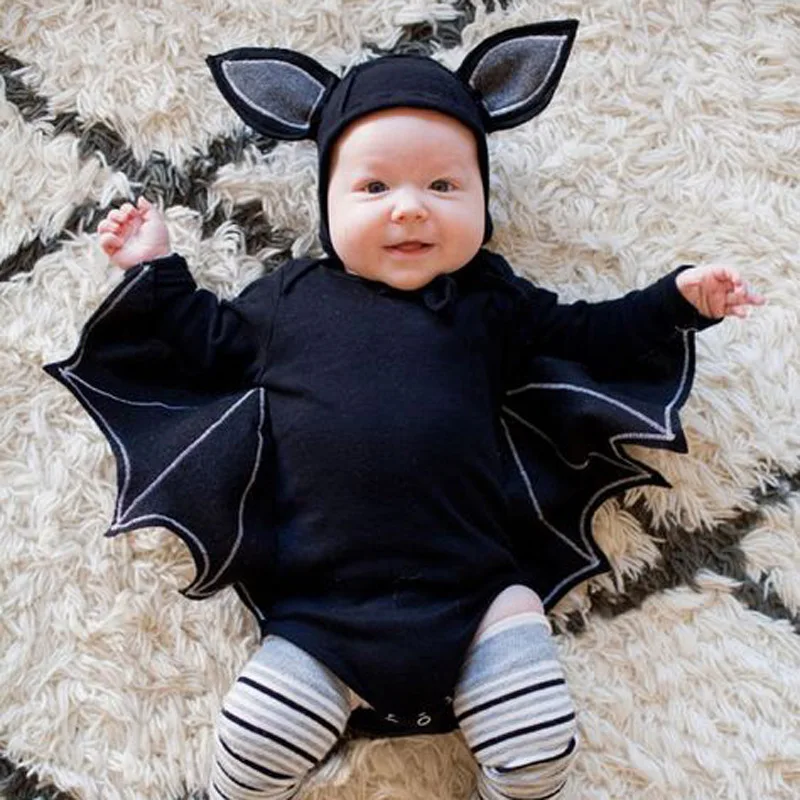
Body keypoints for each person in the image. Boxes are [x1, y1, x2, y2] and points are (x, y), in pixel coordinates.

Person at [47, 20, 763, 800]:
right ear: (327, 202)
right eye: (374, 188)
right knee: (250, 752)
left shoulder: (492, 300)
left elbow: (591, 334)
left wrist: (676, 301)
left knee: (537, 751)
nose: (411, 210)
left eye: (444, 187)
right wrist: (157, 268)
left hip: (482, 596)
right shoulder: (289, 300)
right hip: (319, 611)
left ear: (484, 200)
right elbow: (207, 343)